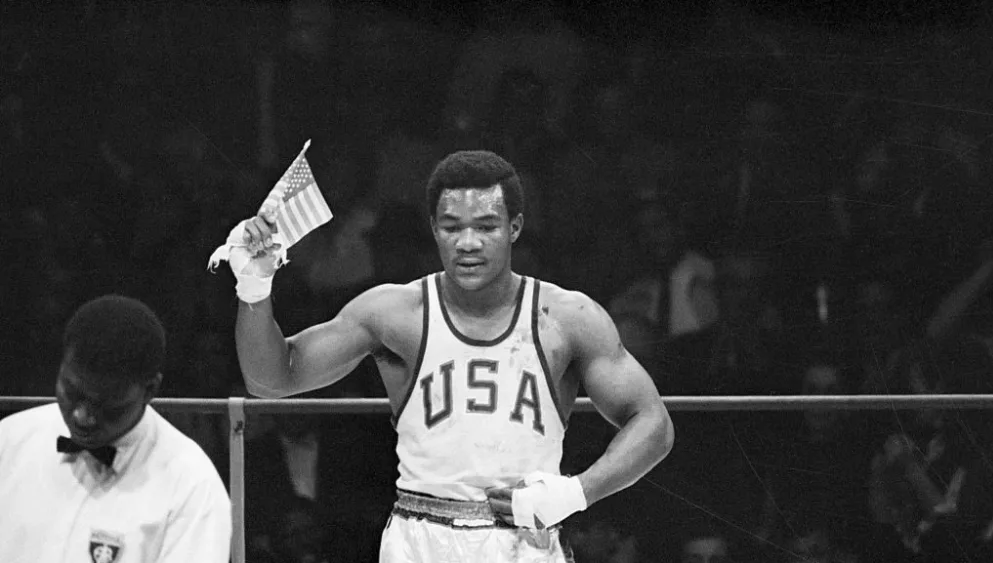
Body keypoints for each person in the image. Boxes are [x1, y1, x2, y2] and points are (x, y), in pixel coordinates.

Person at [226, 150, 675, 562]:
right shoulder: (394, 313)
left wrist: (576, 493)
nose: (467, 243)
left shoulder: (567, 318)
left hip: (523, 541)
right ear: (434, 228)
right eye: (452, 226)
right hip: (419, 541)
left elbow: (653, 424)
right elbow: (271, 380)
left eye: (485, 226)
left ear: (514, 227)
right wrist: (254, 287)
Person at [0, 295, 232, 562]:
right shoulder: (10, 441)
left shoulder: (191, 486)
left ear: (150, 390)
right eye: (71, 391)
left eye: (105, 405)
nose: (82, 416)